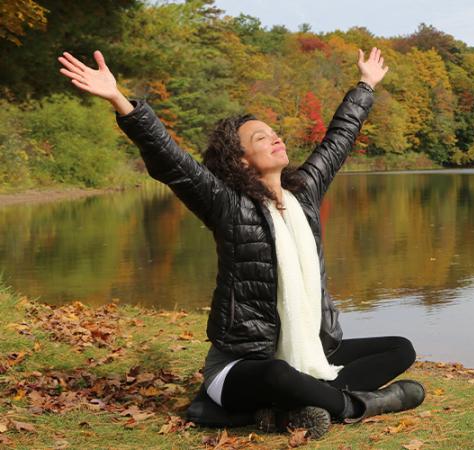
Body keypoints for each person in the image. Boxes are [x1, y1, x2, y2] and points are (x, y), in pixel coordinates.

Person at [57, 47, 425, 439]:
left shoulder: (303, 195)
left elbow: (338, 140)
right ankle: (355, 405)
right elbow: (170, 160)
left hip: (306, 353)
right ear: (241, 160)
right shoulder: (228, 206)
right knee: (277, 373)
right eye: (261, 138)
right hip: (242, 365)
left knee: (399, 349)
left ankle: (292, 408)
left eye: (274, 132)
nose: (276, 138)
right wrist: (119, 100)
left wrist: (366, 84)